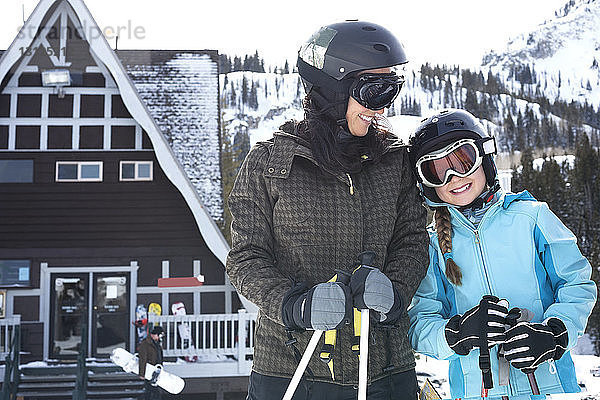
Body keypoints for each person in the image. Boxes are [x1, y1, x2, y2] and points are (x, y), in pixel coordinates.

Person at [226, 20, 429, 400]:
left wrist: (396, 291)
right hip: (290, 369)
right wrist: (294, 305)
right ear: (333, 90)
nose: (383, 106)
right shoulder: (270, 165)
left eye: (392, 89)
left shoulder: (395, 162)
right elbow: (245, 259)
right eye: (373, 90)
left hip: (385, 370)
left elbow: (413, 241)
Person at [407, 108, 597, 399]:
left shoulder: (531, 218)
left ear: (485, 157)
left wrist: (555, 334)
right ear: (428, 185)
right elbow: (420, 322)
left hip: (549, 388)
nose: (454, 178)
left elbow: (577, 285)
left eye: (463, 160)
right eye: (437, 170)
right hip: (475, 391)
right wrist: (457, 334)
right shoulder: (433, 246)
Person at [138, 325, 165, 400]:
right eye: (158, 335)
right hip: (149, 371)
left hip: (156, 371)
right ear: (153, 335)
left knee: (150, 392)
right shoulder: (145, 344)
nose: (159, 337)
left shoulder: (157, 344)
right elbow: (143, 359)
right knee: (154, 392)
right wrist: (142, 373)